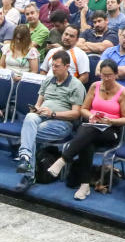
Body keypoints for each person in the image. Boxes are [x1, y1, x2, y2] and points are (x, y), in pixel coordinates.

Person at [45, 59, 125, 199]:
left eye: (109, 75)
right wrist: (91, 116)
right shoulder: (94, 86)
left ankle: (63, 160)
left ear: (116, 75)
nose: (106, 78)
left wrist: (110, 121)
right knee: (88, 143)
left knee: (88, 132)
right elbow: (84, 110)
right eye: (103, 75)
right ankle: (84, 186)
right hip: (92, 126)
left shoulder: (123, 92)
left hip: (111, 130)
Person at [14, 50, 87, 193]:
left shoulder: (76, 85)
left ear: (67, 66)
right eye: (52, 65)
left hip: (61, 123)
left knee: (29, 134)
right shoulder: (47, 80)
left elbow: (76, 114)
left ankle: (27, 169)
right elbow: (38, 104)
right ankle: (26, 160)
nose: (53, 69)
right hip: (42, 118)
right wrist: (36, 110)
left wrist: (53, 113)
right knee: (29, 117)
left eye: (57, 66)